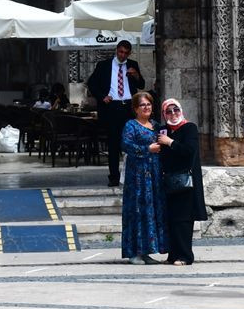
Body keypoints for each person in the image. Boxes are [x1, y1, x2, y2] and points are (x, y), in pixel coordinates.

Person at [87, 40, 146, 187]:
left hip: (128, 107)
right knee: (113, 143)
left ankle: (132, 176)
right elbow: (91, 83)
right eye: (121, 52)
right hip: (112, 107)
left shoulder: (132, 65)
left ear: (129, 53)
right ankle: (114, 176)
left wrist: (136, 75)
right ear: (116, 50)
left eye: (126, 53)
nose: (123, 55)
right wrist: (102, 97)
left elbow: (141, 85)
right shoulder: (104, 65)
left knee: (131, 142)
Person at [120, 91, 168, 264]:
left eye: (148, 104)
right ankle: (134, 252)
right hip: (138, 175)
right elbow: (126, 145)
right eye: (142, 105)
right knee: (138, 210)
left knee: (151, 210)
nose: (146, 107)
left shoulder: (155, 125)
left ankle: (147, 250)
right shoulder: (131, 125)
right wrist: (147, 149)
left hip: (154, 174)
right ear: (135, 108)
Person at [158, 98, 207, 265]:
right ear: (164, 114)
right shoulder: (163, 130)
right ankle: (173, 255)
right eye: (168, 112)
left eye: (176, 110)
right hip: (169, 180)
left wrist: (170, 143)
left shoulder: (189, 128)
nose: (173, 114)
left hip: (186, 181)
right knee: (171, 219)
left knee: (184, 220)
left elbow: (189, 151)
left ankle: (185, 256)